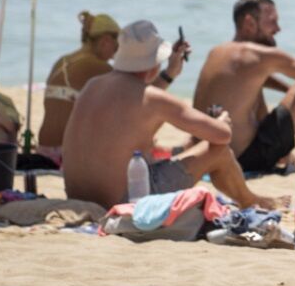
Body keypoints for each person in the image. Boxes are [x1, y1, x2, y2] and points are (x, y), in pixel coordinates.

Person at [63, 20, 275, 209]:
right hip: (124, 200)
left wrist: (170, 73)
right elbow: (222, 136)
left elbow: (135, 98)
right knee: (218, 150)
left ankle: (249, 198)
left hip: (77, 195)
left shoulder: (93, 85)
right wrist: (222, 122)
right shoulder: (152, 99)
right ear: (154, 64)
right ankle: (249, 200)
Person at [193, 0, 295, 174]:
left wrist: (287, 91)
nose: (278, 29)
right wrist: (294, 96)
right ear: (249, 22)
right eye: (272, 22)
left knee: (259, 87)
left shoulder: (217, 52)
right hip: (246, 160)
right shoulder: (260, 56)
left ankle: (284, 149)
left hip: (207, 154)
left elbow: (256, 79)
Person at [35, 12, 120, 168]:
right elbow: (134, 94)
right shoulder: (99, 66)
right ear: (106, 41)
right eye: (117, 47)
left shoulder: (62, 60)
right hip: (66, 153)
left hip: (43, 149)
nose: (115, 55)